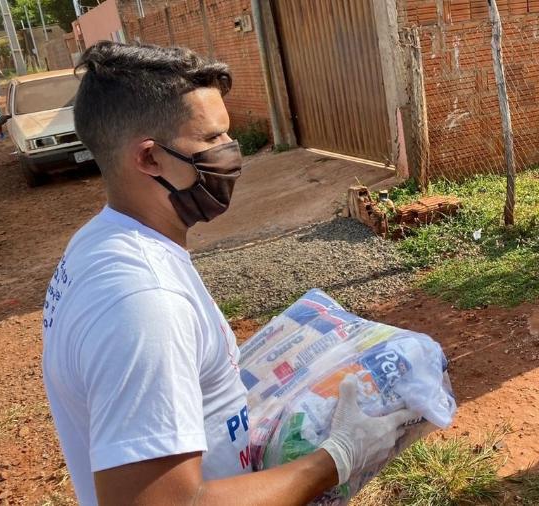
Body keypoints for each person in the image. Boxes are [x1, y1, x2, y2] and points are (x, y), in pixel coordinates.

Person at [42, 41, 416, 506]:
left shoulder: (101, 241)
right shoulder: (144, 303)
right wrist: (337, 457)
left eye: (228, 135)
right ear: (148, 159)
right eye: (211, 140)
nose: (231, 154)